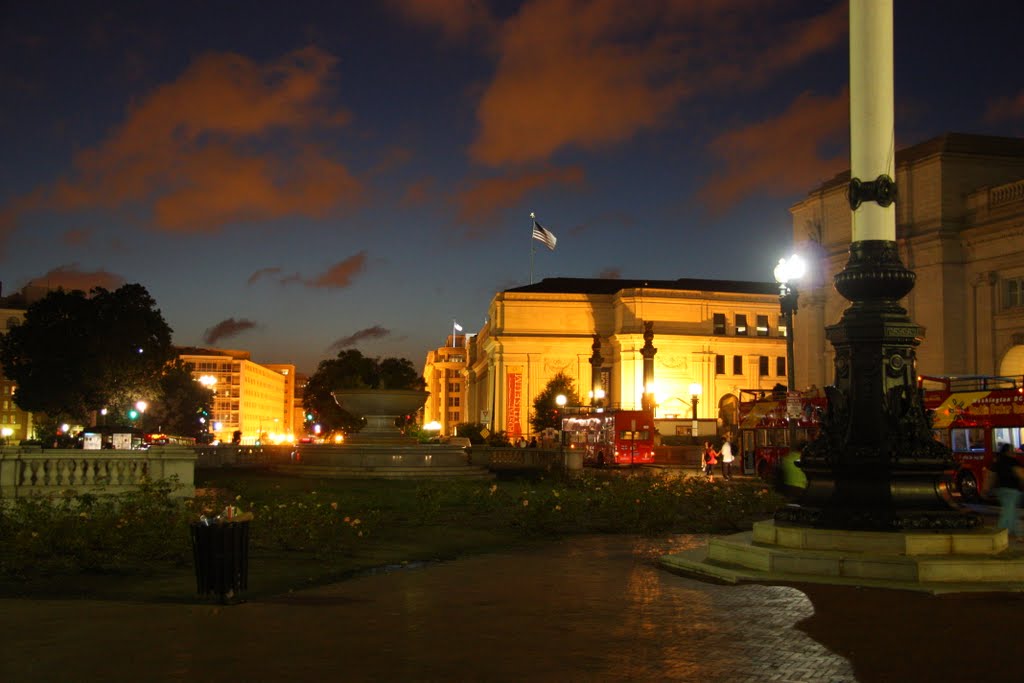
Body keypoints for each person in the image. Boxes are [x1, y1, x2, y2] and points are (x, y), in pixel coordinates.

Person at [986, 443, 1024, 542]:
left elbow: (991, 476)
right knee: (1009, 512)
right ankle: (1000, 533)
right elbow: (1021, 475)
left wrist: (986, 489)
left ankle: (1019, 535)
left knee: (1011, 512)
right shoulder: (1013, 462)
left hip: (1001, 490)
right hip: (1012, 490)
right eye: (1012, 450)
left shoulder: (997, 461)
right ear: (1008, 451)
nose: (1014, 452)